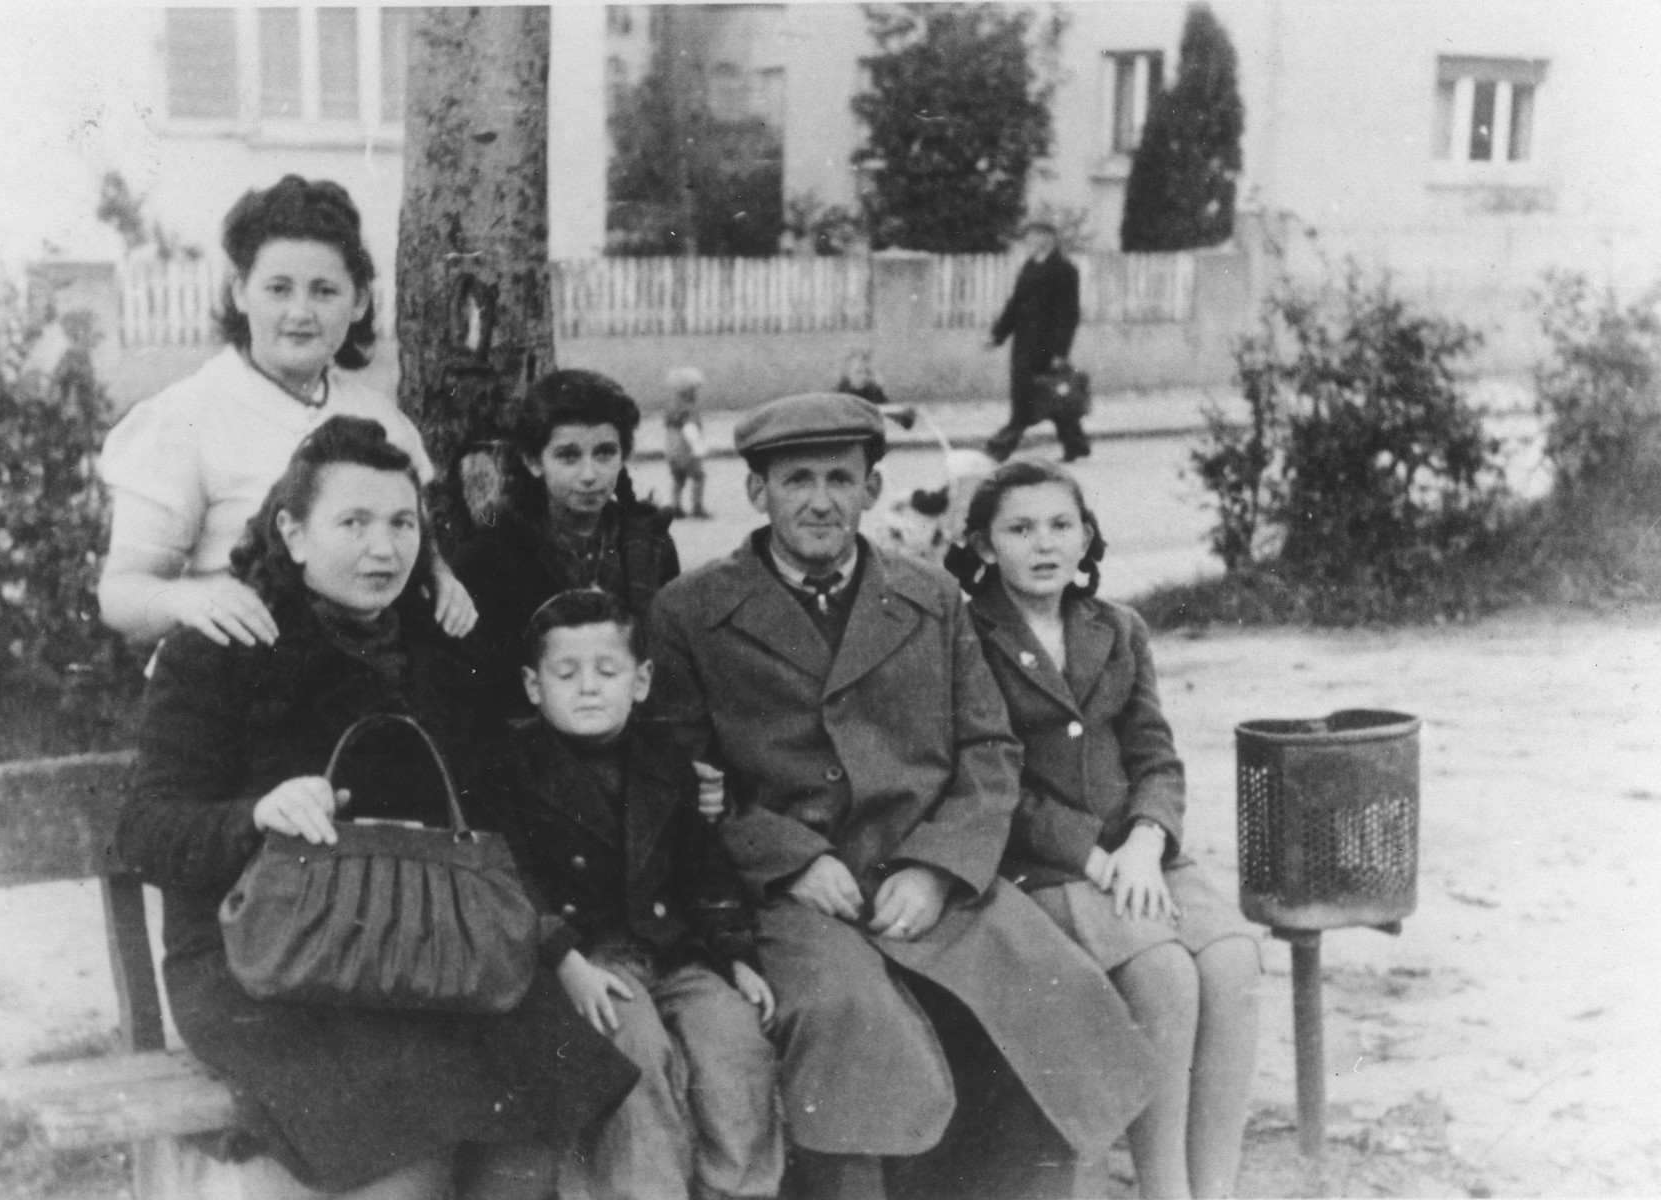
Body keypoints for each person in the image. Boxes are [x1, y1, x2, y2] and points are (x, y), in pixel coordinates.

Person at [646, 392, 1155, 1200]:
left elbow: (991, 752)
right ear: (757, 493)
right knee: (856, 1023)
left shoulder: (929, 597)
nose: (820, 500)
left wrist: (938, 868)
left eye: (841, 479)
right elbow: (674, 782)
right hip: (794, 898)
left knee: (1052, 992)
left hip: (931, 876)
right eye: (796, 479)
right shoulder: (691, 612)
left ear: (873, 490)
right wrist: (787, 860)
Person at [113, 417, 637, 1199]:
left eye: (402, 524)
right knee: (404, 1149)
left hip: (420, 937)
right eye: (353, 523)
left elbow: (482, 829)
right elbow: (145, 830)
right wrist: (258, 813)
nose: (384, 550)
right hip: (260, 959)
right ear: (292, 533)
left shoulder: (432, 647)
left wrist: (553, 946)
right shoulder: (220, 648)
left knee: (529, 1127)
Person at [959, 460, 1261, 1199]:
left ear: (1088, 536)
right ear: (982, 544)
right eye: (1020, 528)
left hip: (1138, 854)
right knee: (1163, 974)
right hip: (1045, 864)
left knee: (1232, 959)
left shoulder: (1117, 628)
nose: (1044, 544)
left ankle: (1212, 1188)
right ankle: (1164, 1188)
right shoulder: (967, 638)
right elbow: (993, 781)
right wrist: (1097, 857)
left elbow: (1156, 756)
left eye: (1062, 525)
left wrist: (1147, 840)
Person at [97, 174, 476, 648]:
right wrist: (188, 600)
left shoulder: (381, 420)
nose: (300, 312)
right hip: (239, 676)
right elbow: (121, 594)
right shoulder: (184, 419)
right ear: (240, 292)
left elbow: (412, 538)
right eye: (278, 289)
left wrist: (438, 577)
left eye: (324, 291)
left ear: (358, 300)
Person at [494, 589, 784, 1200]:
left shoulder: (667, 764)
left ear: (642, 680)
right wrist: (564, 958)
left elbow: (703, 870)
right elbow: (507, 879)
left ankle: (739, 1189)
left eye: (608, 671)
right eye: (565, 673)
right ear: (532, 685)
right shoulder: (512, 769)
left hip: (673, 951)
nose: (589, 688)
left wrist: (735, 953)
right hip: (584, 959)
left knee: (734, 1042)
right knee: (633, 1053)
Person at [453, 369, 681, 718]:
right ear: (533, 461)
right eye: (568, 456)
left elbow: (664, 665)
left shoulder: (650, 546)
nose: (589, 475)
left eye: (605, 453)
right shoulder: (492, 556)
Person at [983, 221, 1088, 462]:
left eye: (1032, 237)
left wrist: (1060, 352)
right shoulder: (1029, 266)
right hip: (1023, 344)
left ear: (1047, 239)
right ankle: (1076, 444)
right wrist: (997, 336)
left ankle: (999, 448)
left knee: (1030, 399)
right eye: (1027, 238)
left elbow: (1068, 314)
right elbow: (1015, 305)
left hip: (1046, 348)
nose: (1027, 242)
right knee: (1049, 398)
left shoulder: (1064, 269)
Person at [663, 366, 711, 519]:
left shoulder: (671, 407)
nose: (698, 392)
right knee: (699, 477)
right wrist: (699, 448)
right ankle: (697, 507)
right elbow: (691, 430)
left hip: (671, 449)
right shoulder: (690, 409)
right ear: (690, 390)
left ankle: (676, 507)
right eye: (696, 389)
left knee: (678, 479)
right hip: (686, 450)